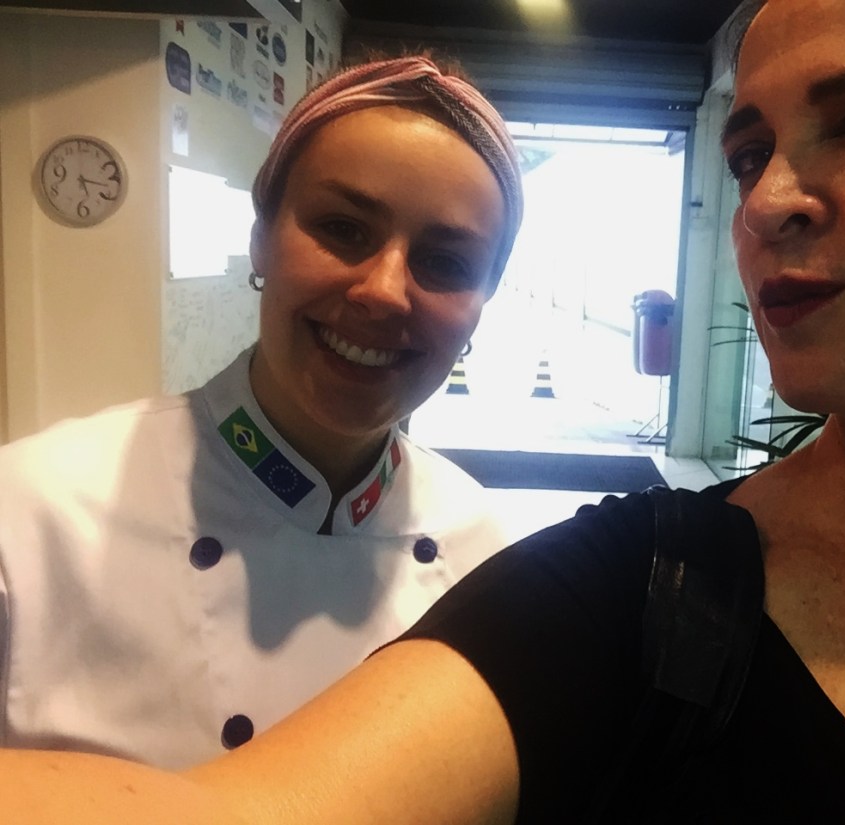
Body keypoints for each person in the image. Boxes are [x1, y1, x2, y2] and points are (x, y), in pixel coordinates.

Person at [5, 0, 845, 820]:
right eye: (745, 153)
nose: (765, 202)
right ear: (260, 236)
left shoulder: (477, 539)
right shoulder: (632, 588)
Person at [0, 55, 523, 769]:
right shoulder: (30, 515)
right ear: (261, 238)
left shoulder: (486, 557)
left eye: (447, 263)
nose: (383, 291)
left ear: (482, 302)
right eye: (343, 228)